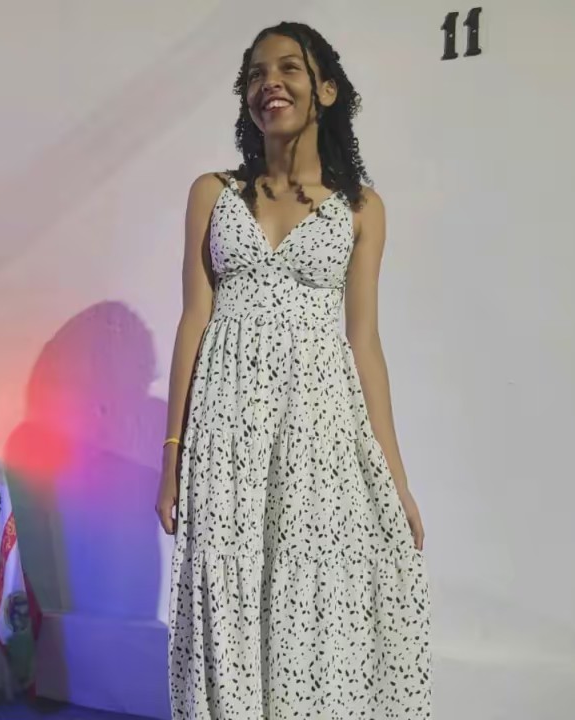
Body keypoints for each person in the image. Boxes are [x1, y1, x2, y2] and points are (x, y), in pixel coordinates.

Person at [155, 21, 431, 719]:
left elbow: (364, 342)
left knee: (311, 599)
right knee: (228, 595)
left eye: (288, 68)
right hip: (225, 430)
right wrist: (172, 454)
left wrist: (395, 477)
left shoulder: (361, 209)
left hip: (317, 429)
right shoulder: (212, 192)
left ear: (327, 90)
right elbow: (193, 321)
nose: (268, 83)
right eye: (255, 74)